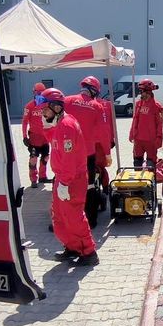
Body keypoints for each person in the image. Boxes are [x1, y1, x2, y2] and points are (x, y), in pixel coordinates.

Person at [37, 88, 99, 266]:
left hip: (72, 179)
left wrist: (64, 183)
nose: (43, 111)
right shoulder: (59, 123)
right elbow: (53, 142)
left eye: (45, 109)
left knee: (73, 217)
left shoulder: (67, 126)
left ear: (56, 107)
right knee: (59, 216)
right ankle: (72, 247)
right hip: (63, 178)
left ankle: (88, 252)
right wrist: (47, 125)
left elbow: (69, 158)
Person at [64, 76, 112, 228]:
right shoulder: (97, 106)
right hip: (87, 153)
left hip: (68, 153)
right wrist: (107, 153)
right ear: (94, 91)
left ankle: (66, 219)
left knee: (66, 184)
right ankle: (90, 221)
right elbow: (105, 132)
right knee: (89, 185)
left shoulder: (67, 101)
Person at [129, 78, 163, 168]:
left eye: (141, 92)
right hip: (138, 140)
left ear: (148, 92)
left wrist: (159, 138)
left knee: (150, 166)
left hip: (151, 141)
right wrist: (131, 134)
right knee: (137, 164)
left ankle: (152, 182)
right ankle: (138, 182)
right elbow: (135, 119)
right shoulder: (138, 104)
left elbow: (160, 124)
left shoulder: (157, 107)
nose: (140, 94)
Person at [22, 82, 51, 188]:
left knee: (46, 157)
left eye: (42, 92)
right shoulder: (29, 106)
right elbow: (24, 122)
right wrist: (24, 136)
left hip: (46, 137)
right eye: (37, 92)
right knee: (33, 158)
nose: (39, 94)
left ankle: (42, 177)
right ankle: (33, 179)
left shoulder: (48, 105)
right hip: (34, 138)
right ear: (34, 92)